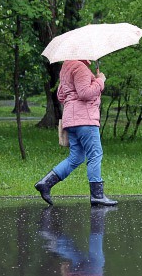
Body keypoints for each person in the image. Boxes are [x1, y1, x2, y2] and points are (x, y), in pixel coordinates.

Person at [34, 60, 117, 206]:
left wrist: (93, 80)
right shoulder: (80, 68)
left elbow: (61, 96)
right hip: (85, 120)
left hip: (71, 120)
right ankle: (97, 195)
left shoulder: (66, 68)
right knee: (95, 154)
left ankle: (45, 183)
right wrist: (100, 81)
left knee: (76, 157)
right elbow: (85, 93)